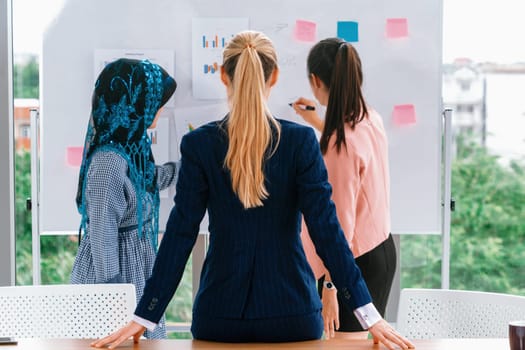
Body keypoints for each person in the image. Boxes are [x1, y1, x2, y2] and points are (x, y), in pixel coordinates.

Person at [91, 31, 413, 349]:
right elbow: (327, 230)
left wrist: (146, 315)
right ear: (274, 77)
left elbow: (180, 234)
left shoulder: (199, 144)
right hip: (293, 315)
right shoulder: (300, 142)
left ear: (222, 75)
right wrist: (369, 314)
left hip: (220, 316)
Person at [292, 38, 396, 334]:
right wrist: (317, 121)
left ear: (315, 81)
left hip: (353, 264)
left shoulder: (340, 145)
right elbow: (351, 146)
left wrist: (330, 286)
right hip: (379, 250)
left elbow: (339, 225)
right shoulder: (368, 117)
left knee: (346, 342)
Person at [70, 58, 178, 339]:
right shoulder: (108, 163)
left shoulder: (130, 149)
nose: (160, 110)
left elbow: (150, 180)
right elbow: (103, 234)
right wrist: (115, 297)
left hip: (133, 267)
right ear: (136, 103)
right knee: (119, 341)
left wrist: (189, 164)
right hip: (115, 274)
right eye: (157, 103)